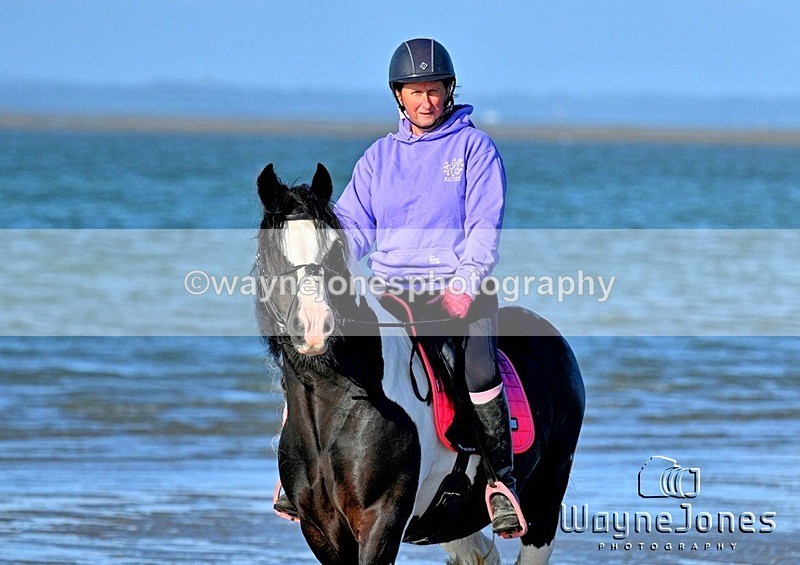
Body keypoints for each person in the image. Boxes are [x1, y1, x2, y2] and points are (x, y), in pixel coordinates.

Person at [275, 38, 523, 536]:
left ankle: (501, 483)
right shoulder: (378, 158)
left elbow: (483, 229)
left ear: (449, 92)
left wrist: (463, 284)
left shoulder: (474, 149)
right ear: (399, 97)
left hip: (459, 292)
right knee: (312, 354)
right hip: (388, 292)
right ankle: (296, 474)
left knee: (476, 372)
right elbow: (352, 229)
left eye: (434, 91)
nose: (425, 101)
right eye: (415, 92)